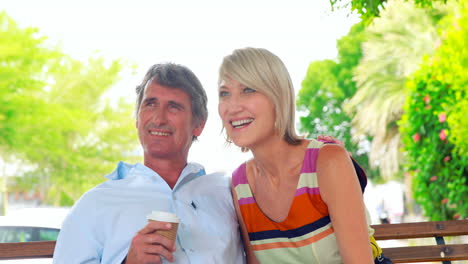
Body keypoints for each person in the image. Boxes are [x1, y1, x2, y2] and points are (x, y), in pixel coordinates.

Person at [53, 63, 245, 264]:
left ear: (199, 124)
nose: (159, 118)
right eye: (150, 104)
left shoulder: (227, 195)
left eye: (173, 107)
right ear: (137, 118)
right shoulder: (94, 204)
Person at [217, 47, 392, 263]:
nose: (232, 107)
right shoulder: (240, 184)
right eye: (224, 93)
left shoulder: (327, 162)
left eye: (248, 90)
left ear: (278, 96)